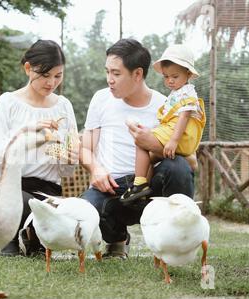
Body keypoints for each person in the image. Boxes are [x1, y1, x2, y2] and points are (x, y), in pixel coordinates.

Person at [80, 39, 195, 259]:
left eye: (116, 73)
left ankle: (175, 240)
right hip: (112, 188)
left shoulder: (166, 105)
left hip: (149, 188)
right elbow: (85, 148)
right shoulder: (101, 99)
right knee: (88, 208)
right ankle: (117, 240)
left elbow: (192, 161)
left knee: (177, 166)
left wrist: (151, 144)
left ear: (137, 74)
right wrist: (95, 169)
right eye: (107, 72)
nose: (109, 80)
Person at [0, 40, 78, 257]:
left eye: (58, 75)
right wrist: (26, 134)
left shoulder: (63, 106)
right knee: (29, 205)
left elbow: (66, 172)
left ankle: (26, 236)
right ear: (28, 68)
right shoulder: (7, 103)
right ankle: (21, 237)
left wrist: (70, 158)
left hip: (46, 190)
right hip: (5, 186)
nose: (51, 82)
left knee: (57, 209)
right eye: (45, 75)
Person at [120, 44, 206, 204]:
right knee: (151, 157)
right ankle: (143, 187)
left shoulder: (187, 93)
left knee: (141, 141)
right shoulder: (177, 93)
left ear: (188, 74)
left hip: (179, 136)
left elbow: (184, 117)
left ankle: (139, 183)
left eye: (175, 76)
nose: (170, 81)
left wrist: (173, 141)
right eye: (166, 77)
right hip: (175, 134)